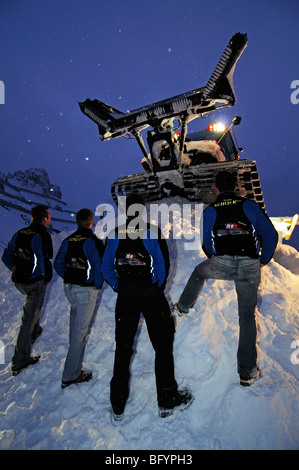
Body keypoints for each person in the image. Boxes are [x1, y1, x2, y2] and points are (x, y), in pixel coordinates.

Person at [172, 171, 278, 386]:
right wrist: (262, 260)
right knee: (247, 316)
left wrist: (217, 258)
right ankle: (247, 371)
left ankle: (182, 307)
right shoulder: (249, 206)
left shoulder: (211, 210)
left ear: (217, 188)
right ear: (236, 187)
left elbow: (205, 243)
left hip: (222, 263)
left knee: (199, 272)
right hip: (249, 265)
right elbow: (271, 234)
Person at [101, 194, 193, 423]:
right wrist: (156, 287)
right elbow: (162, 264)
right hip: (149, 293)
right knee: (162, 345)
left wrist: (118, 286)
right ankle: (167, 399)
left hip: (125, 295)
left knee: (123, 347)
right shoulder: (151, 230)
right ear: (141, 210)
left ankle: (118, 404)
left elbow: (105, 268)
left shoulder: (114, 233)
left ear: (125, 209)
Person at [54, 208, 104, 388]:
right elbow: (100, 265)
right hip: (86, 290)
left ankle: (74, 365)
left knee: (76, 329)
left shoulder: (68, 241)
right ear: (91, 222)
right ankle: (70, 375)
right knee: (80, 334)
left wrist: (69, 277)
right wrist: (96, 284)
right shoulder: (93, 241)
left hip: (70, 289)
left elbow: (58, 264)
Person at [2, 205, 53, 376]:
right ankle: (19, 360)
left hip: (19, 281)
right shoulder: (42, 235)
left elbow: (6, 256)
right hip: (34, 282)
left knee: (32, 308)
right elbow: (44, 259)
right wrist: (41, 277)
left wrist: (18, 271)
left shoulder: (20, 233)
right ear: (45, 218)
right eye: (49, 216)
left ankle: (35, 330)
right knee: (28, 318)